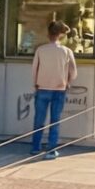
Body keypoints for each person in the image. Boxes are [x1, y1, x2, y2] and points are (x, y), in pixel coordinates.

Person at [30, 19, 75, 158]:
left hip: (42, 88)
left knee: (39, 119)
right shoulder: (66, 51)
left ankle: (35, 147)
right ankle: (51, 149)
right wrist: (67, 82)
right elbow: (73, 72)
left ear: (48, 34)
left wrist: (36, 83)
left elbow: (34, 70)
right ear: (60, 35)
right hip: (59, 89)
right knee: (55, 120)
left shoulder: (40, 50)